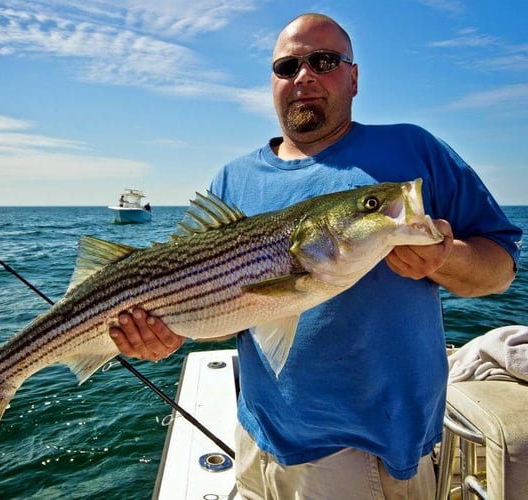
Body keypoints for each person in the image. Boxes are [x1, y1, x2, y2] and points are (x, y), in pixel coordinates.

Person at [109, 13, 522, 499]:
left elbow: (500, 269)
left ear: (353, 77)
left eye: (324, 61)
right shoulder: (232, 180)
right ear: (272, 83)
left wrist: (444, 257)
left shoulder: (413, 149)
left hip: (364, 456)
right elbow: (232, 314)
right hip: (257, 440)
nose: (304, 76)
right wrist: (168, 332)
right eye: (287, 66)